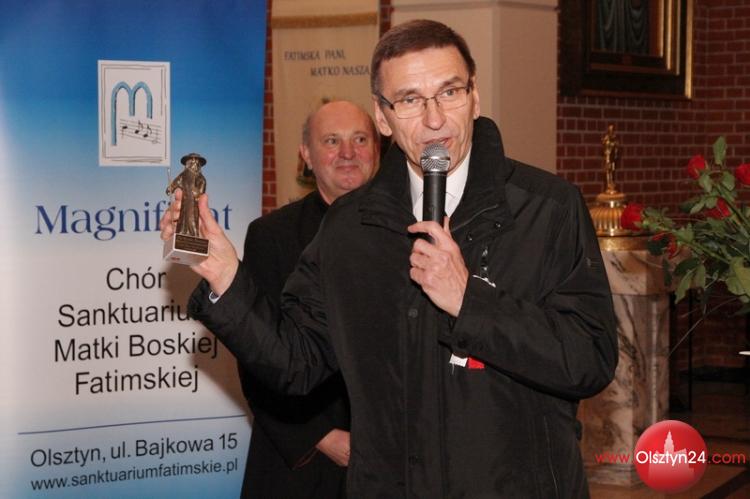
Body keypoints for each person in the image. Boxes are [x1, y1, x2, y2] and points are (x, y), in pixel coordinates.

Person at [163, 19, 618, 498]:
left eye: (449, 92)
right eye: (410, 100)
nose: (435, 119)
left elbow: (588, 359)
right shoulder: (349, 226)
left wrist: (471, 303)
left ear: (475, 98)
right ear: (382, 118)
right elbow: (295, 363)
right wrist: (226, 276)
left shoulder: (547, 208)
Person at [237, 100, 378, 498]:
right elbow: (257, 353)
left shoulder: (412, 231)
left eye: (360, 139)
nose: (348, 153)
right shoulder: (272, 236)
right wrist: (322, 436)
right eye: (332, 141)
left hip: (395, 460)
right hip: (303, 461)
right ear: (307, 155)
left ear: (377, 149)